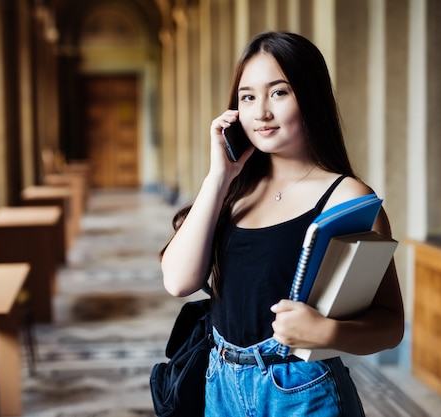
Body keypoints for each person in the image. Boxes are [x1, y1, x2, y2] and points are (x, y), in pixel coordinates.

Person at [160, 31, 404, 416]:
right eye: (248, 97)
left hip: (301, 390)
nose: (261, 113)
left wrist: (327, 332)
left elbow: (391, 325)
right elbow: (178, 281)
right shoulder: (234, 190)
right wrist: (218, 178)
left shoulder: (347, 198)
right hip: (220, 385)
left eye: (279, 92)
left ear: (309, 97)